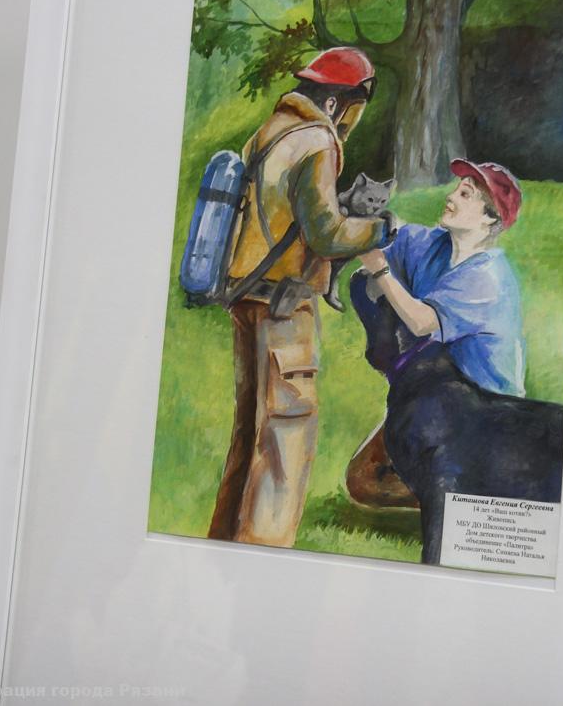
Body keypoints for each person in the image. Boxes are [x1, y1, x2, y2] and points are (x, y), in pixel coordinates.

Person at [207, 47, 394, 547]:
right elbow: (327, 234)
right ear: (336, 102)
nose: (351, 121)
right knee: (285, 436)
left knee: (249, 433)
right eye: (354, 109)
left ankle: (225, 542)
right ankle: (264, 552)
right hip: (285, 307)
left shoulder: (270, 132)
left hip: (245, 297)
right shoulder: (316, 140)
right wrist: (380, 228)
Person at [345, 159, 525, 508]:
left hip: (485, 417)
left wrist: (380, 269)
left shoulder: (487, 277)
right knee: (363, 479)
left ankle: (469, 489)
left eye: (466, 194)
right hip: (432, 398)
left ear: (489, 219)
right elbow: (389, 233)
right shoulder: (434, 245)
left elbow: (421, 322)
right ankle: (447, 486)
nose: (451, 197)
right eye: (456, 189)